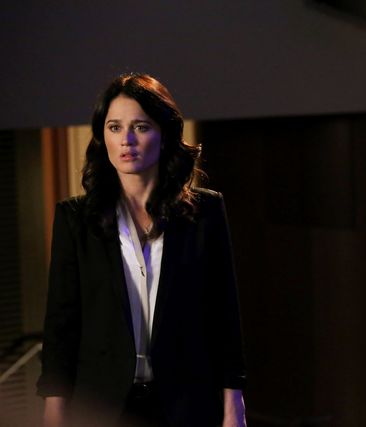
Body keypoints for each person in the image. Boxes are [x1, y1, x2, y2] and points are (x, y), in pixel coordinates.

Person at [37, 73, 247, 427]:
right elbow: (61, 325)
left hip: (186, 402)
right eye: (115, 127)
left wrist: (234, 405)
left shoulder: (205, 212)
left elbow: (224, 316)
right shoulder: (75, 219)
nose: (127, 140)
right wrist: (54, 410)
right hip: (101, 406)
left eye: (141, 127)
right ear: (102, 136)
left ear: (164, 135)